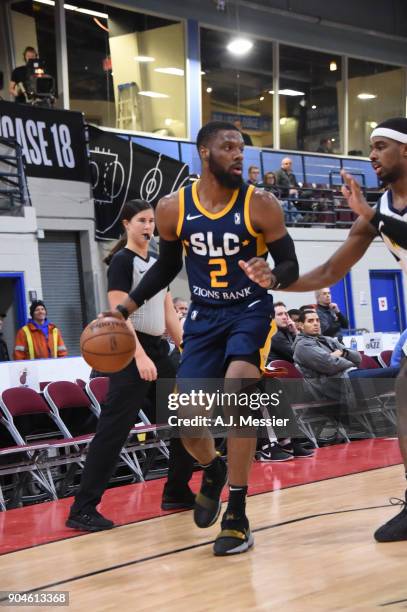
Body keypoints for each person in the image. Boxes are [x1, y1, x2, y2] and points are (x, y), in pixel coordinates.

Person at [101, 120, 299, 556]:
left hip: (249, 311)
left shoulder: (261, 203)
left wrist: (275, 274)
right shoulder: (173, 207)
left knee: (238, 391)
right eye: (229, 147)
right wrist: (125, 308)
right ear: (204, 153)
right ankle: (212, 469)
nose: (238, 155)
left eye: (242, 149)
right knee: (187, 419)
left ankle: (239, 511)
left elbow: (290, 264)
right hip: (205, 318)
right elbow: (166, 266)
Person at [285, 116, 407, 543]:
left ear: (406, 151)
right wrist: (276, 282)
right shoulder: (382, 209)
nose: (371, 155)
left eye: (380, 146)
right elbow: (332, 268)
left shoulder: (379, 214)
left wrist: (373, 217)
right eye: (370, 147)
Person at [66, 200, 195, 531]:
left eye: (152, 221)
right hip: (128, 349)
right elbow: (117, 312)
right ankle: (82, 508)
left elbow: (167, 312)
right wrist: (139, 356)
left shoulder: (158, 261)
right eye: (142, 220)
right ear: (126, 224)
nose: (149, 226)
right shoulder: (122, 262)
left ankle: (177, 491)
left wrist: (186, 348)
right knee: (114, 431)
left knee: (188, 417)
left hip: (158, 348)